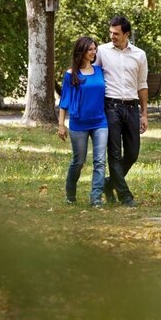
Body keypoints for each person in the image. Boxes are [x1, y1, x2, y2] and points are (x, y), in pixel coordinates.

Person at [96, 15, 148, 207]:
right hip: (111, 107)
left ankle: (110, 183)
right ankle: (125, 196)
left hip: (132, 107)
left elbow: (142, 85)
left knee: (133, 152)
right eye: (110, 32)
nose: (112, 36)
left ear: (126, 34)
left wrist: (144, 113)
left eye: (116, 33)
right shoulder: (101, 51)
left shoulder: (139, 55)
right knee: (115, 153)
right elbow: (93, 75)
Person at [57, 36, 108, 207]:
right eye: (90, 49)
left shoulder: (99, 71)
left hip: (100, 122)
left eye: (95, 49)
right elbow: (64, 101)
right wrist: (61, 125)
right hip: (79, 123)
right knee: (78, 162)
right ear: (82, 51)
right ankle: (70, 193)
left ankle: (96, 199)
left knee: (100, 161)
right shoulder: (71, 74)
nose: (94, 52)